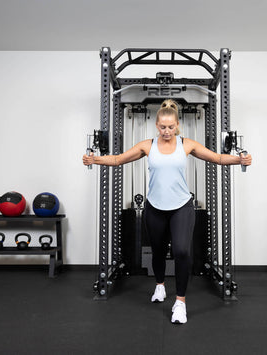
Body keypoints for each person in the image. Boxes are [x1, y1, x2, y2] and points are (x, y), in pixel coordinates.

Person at [83, 99, 252, 324]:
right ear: (156, 125)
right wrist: (94, 159)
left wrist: (240, 159)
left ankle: (180, 302)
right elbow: (117, 159)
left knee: (182, 251)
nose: (167, 131)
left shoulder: (187, 144)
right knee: (158, 251)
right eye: (163, 127)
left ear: (177, 125)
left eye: (171, 127)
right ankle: (160, 286)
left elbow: (218, 158)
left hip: (181, 206)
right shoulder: (147, 146)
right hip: (155, 207)